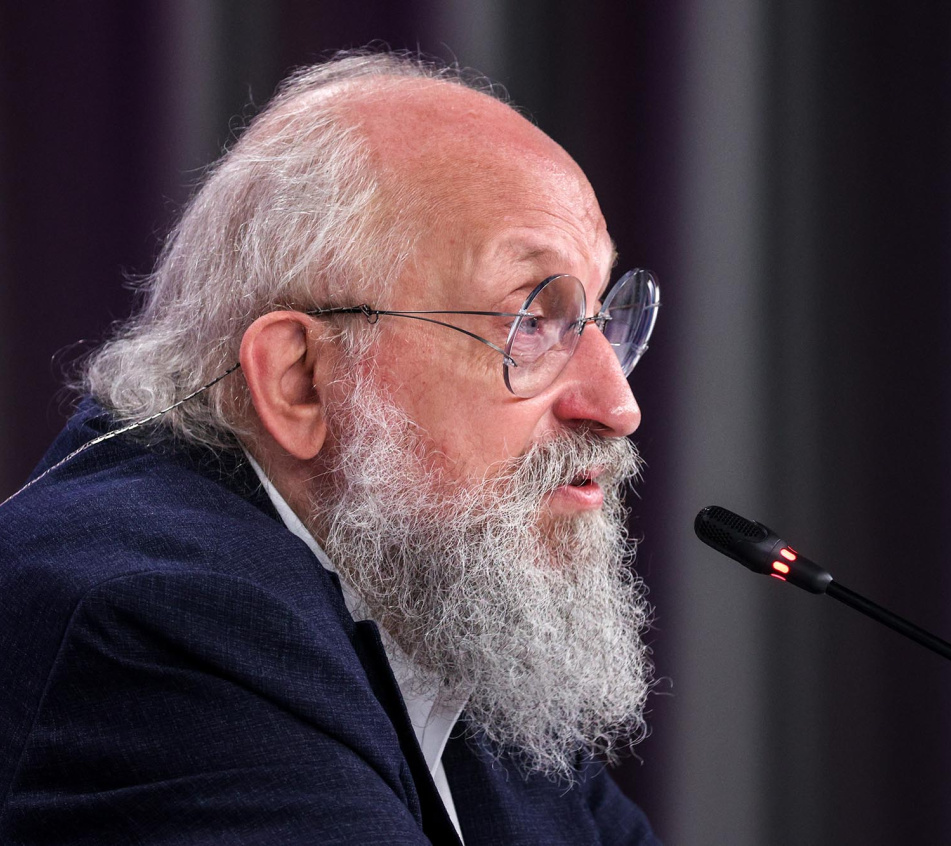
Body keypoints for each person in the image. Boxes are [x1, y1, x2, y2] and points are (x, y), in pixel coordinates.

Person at [0, 51, 661, 845]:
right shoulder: (158, 619)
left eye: (602, 318)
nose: (617, 406)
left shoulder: (448, 584)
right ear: (301, 380)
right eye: (531, 320)